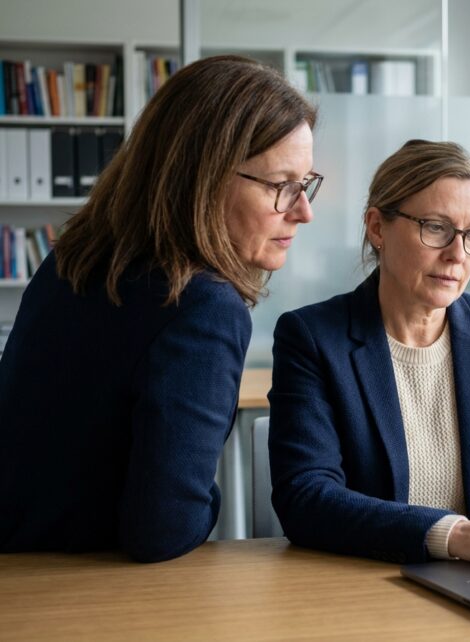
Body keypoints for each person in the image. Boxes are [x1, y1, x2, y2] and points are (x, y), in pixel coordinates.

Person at [0, 55, 321, 562]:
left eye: (305, 184)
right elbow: (164, 531)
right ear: (205, 176)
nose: (303, 211)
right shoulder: (204, 307)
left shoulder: (75, 255)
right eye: (282, 184)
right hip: (84, 594)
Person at [268, 139, 470, 564]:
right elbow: (306, 498)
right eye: (436, 228)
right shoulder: (313, 337)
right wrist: (453, 535)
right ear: (377, 227)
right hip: (366, 580)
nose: (457, 255)